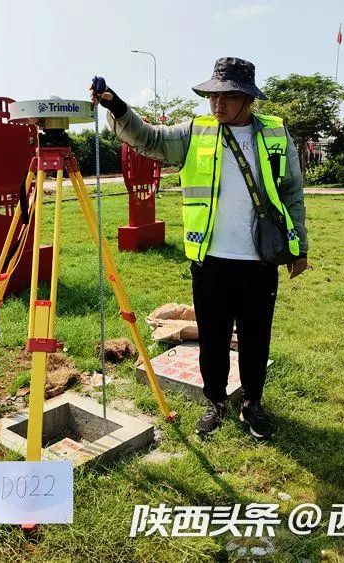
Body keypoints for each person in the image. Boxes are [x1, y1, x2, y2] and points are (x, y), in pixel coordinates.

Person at [90, 57, 308, 439]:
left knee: (257, 337)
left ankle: (252, 405)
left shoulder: (275, 135)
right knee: (212, 336)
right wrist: (117, 106)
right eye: (211, 96)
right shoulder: (196, 132)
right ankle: (215, 402)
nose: (216, 104)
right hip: (210, 260)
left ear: (247, 98)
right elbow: (149, 138)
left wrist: (300, 247)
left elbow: (291, 192)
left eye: (226, 96)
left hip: (260, 260)